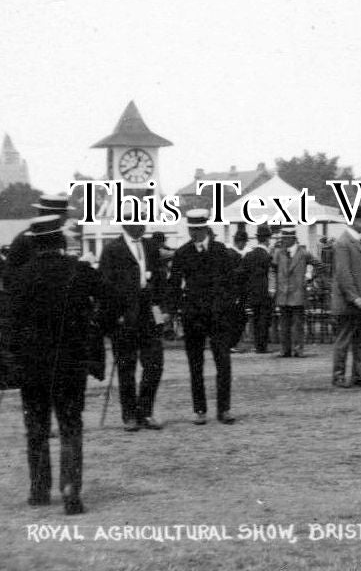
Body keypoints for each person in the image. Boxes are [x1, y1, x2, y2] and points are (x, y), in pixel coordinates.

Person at [12, 215, 104, 514]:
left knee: (36, 428)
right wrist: (91, 327)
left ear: (35, 243)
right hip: (70, 363)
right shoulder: (78, 271)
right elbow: (112, 300)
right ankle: (70, 491)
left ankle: (39, 489)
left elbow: (10, 323)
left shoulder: (21, 276)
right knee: (70, 426)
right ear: (60, 241)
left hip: (33, 365)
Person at [167, 209, 242, 424]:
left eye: (198, 229)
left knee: (223, 362)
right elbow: (174, 285)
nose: (194, 234)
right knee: (196, 364)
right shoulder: (182, 253)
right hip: (194, 317)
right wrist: (179, 309)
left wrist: (226, 304)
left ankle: (224, 409)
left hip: (218, 316)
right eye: (191, 229)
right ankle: (200, 410)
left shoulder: (221, 251)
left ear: (206, 229)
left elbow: (232, 282)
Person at [97, 215, 166, 431]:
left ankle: (145, 411)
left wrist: (162, 307)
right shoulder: (112, 250)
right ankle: (129, 415)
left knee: (155, 363)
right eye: (139, 221)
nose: (143, 224)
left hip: (148, 313)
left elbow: (160, 278)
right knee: (127, 367)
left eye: (145, 219)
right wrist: (113, 316)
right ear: (126, 224)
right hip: (124, 316)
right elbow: (105, 287)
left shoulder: (151, 246)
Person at [330, 210, 361, 387]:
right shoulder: (343, 243)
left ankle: (360, 375)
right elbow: (343, 274)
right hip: (350, 301)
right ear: (354, 221)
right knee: (344, 340)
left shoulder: (355, 241)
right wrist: (354, 296)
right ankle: (339, 376)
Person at [274, 228, 317, 357]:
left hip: (298, 293)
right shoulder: (279, 253)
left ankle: (298, 349)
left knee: (298, 324)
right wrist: (273, 286)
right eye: (283, 239)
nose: (284, 242)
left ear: (293, 239)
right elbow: (272, 270)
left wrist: (309, 276)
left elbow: (318, 265)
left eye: (286, 239)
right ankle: (285, 350)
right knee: (284, 324)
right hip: (283, 293)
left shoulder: (304, 253)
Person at [241, 225, 274, 354]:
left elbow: (243, 273)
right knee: (264, 319)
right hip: (265, 292)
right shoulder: (268, 256)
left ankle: (257, 344)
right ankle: (262, 346)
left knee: (255, 319)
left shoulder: (249, 255)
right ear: (267, 240)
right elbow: (271, 274)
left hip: (252, 292)